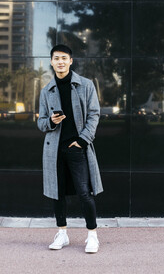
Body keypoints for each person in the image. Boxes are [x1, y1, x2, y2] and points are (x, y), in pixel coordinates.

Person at [37, 44, 103, 254]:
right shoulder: (46, 90)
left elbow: (94, 114)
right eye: (56, 58)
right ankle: (62, 233)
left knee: (85, 193)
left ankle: (92, 236)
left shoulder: (85, 85)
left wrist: (83, 140)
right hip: (54, 149)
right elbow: (41, 122)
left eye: (64, 58)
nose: (60, 62)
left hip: (77, 148)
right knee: (57, 194)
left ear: (71, 61)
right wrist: (53, 122)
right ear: (51, 61)